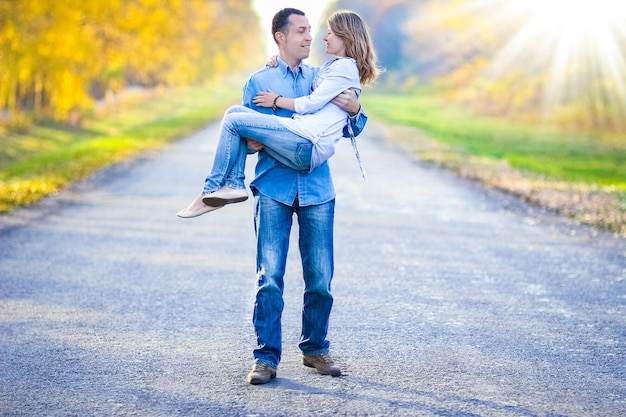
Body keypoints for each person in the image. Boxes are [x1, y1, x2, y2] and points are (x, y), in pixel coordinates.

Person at [176, 9, 379, 219]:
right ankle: (231, 185)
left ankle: (211, 190)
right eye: (302, 31)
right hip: (274, 189)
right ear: (280, 38)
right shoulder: (259, 81)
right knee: (235, 114)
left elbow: (345, 126)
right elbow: (242, 144)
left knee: (232, 117)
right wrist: (253, 141)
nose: (312, 37)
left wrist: (355, 109)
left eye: (312, 31)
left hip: (315, 185)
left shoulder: (318, 76)